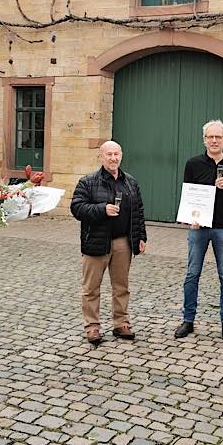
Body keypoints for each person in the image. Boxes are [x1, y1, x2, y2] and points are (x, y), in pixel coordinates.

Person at [175, 120, 223, 341]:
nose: (214, 141)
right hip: (199, 229)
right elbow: (188, 197)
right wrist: (191, 220)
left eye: (218, 137)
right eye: (210, 137)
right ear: (204, 139)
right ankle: (188, 320)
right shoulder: (193, 164)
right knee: (192, 274)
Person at [71, 141, 147, 345]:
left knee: (121, 286)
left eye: (116, 154)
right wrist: (102, 209)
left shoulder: (130, 182)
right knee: (91, 288)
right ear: (101, 156)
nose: (113, 158)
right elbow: (77, 208)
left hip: (123, 242)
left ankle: (121, 323)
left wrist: (141, 237)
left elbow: (138, 212)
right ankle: (92, 326)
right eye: (109, 154)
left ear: (121, 155)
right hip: (96, 243)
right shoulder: (87, 182)